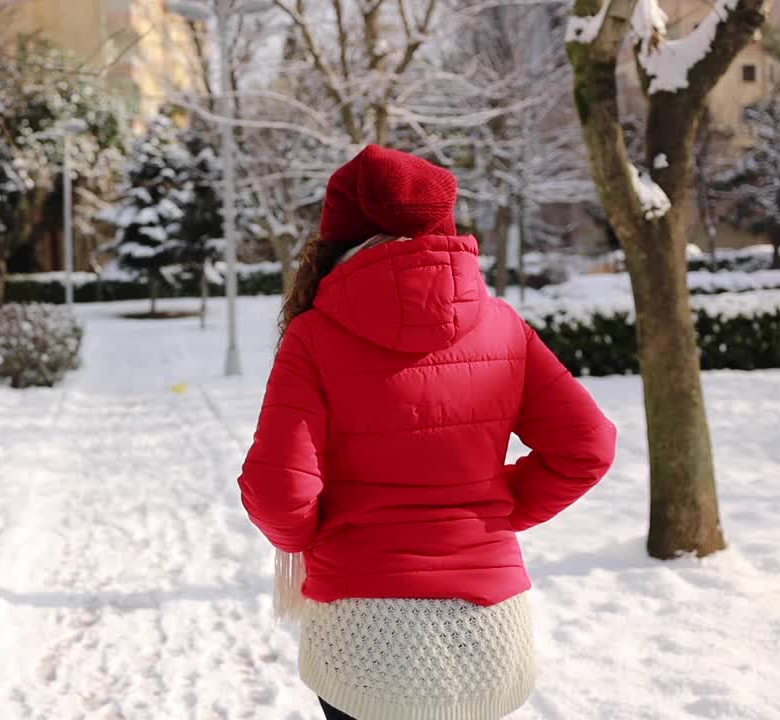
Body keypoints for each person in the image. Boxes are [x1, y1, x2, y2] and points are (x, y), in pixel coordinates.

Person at [238, 145, 618, 720]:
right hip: (488, 638)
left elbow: (277, 490)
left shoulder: (314, 337)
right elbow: (588, 446)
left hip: (362, 643)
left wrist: (316, 538)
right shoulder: (505, 328)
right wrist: (495, 509)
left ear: (335, 238)